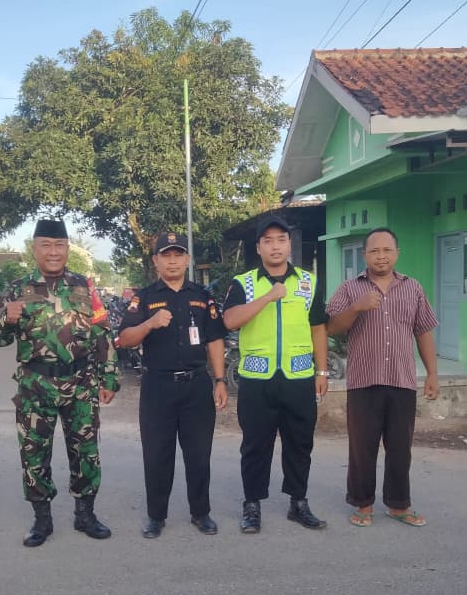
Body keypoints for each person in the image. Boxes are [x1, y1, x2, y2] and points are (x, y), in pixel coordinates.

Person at [0, 219, 120, 547]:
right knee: (34, 454)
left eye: (59, 245)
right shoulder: (17, 289)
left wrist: (109, 378)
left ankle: (85, 514)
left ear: (67, 249)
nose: (53, 252)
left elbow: (103, 333)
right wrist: (7, 317)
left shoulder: (85, 287)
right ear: (34, 249)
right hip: (35, 385)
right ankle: (41, 520)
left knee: (86, 452)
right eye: (45, 245)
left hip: (80, 382)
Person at [117, 231, 229, 538]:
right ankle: (156, 515)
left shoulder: (202, 296)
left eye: (178, 254)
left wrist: (220, 380)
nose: (173, 260)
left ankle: (200, 512)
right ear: (156, 261)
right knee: (156, 455)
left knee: (198, 454)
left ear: (187, 259)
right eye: (166, 255)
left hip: (196, 387)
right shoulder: (145, 298)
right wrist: (149, 323)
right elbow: (123, 339)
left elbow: (215, 338)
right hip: (158, 387)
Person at [222, 215, 330, 533]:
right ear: (259, 247)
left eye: (281, 239)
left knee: (300, 443)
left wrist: (322, 370)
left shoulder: (308, 282)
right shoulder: (244, 283)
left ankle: (298, 503)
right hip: (257, 379)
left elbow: (319, 328)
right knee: (256, 444)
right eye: (267, 240)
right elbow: (230, 321)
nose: (275, 246)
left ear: (289, 245)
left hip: (298, 377)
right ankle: (252, 505)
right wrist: (268, 297)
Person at [326, 227, 439, 528]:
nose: (381, 256)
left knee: (401, 447)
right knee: (362, 447)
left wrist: (432, 374)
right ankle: (362, 504)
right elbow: (331, 327)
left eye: (387, 250)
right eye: (374, 251)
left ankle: (399, 505)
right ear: (364, 255)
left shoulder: (413, 288)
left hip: (401, 381)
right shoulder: (350, 289)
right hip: (364, 381)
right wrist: (356, 308)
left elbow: (423, 330)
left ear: (396, 253)